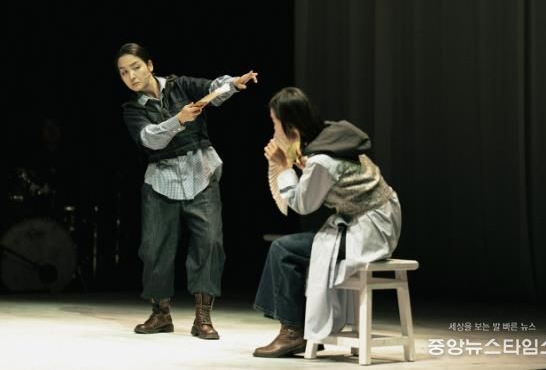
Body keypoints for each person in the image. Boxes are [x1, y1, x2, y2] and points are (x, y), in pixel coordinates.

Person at [115, 42, 257, 340]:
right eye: (124, 72)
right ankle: (160, 313)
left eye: (136, 67)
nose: (131, 76)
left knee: (210, 242)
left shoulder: (180, 85)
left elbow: (212, 89)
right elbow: (149, 139)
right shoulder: (132, 109)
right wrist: (178, 120)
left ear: (150, 65)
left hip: (200, 171)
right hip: (160, 179)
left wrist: (233, 84)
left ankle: (203, 317)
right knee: (154, 247)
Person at [253, 87, 401, 357]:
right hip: (379, 221)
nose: (274, 130)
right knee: (297, 246)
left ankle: (292, 331)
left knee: (283, 249)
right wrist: (301, 166)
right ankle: (305, 328)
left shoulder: (322, 159)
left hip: (368, 230)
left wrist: (284, 168)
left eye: (275, 123)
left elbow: (303, 205)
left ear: (289, 126)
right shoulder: (333, 137)